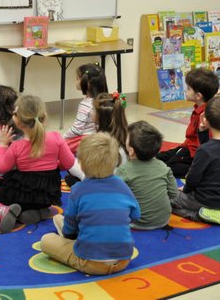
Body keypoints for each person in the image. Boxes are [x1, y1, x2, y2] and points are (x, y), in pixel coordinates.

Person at [40, 133, 140, 275]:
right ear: (115, 161)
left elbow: (70, 228)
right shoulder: (122, 184)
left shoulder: (78, 189)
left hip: (91, 261)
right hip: (124, 260)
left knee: (47, 240)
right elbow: (136, 214)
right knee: (60, 219)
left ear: (81, 164)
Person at [0, 94, 75, 233]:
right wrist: (53, 165)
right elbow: (69, 163)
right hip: (46, 196)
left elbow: (0, 168)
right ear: (44, 116)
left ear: (17, 122)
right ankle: (38, 213)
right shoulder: (56, 138)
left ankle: (5, 211)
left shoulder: (17, 146)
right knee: (35, 201)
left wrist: (2, 144)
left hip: (20, 197)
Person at [170, 96, 220, 226]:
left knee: (167, 201)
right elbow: (213, 150)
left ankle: (201, 215)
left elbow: (193, 178)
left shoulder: (205, 150)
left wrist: (186, 190)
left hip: (206, 200)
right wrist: (203, 132)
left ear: (206, 120)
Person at [157, 68, 219, 178]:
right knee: (158, 158)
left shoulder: (205, 116)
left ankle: (197, 173)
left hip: (194, 154)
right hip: (187, 148)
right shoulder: (198, 109)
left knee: (166, 169)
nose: (185, 90)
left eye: (189, 88)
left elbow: (205, 147)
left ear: (198, 96)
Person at [117, 121, 179, 230]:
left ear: (131, 151)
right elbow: (174, 193)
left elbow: (115, 197)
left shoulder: (124, 170)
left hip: (137, 223)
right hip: (163, 220)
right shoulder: (163, 167)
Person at [65, 92, 129, 185]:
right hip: (116, 179)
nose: (92, 113)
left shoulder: (102, 144)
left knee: (71, 164)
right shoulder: (124, 135)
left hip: (103, 181)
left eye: (93, 110)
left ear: (101, 118)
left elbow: (93, 171)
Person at [63, 63, 108, 153]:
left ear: (87, 84)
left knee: (60, 146)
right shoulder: (105, 100)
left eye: (77, 78)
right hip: (100, 139)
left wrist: (63, 137)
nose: (75, 80)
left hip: (85, 142)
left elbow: (76, 130)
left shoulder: (85, 105)